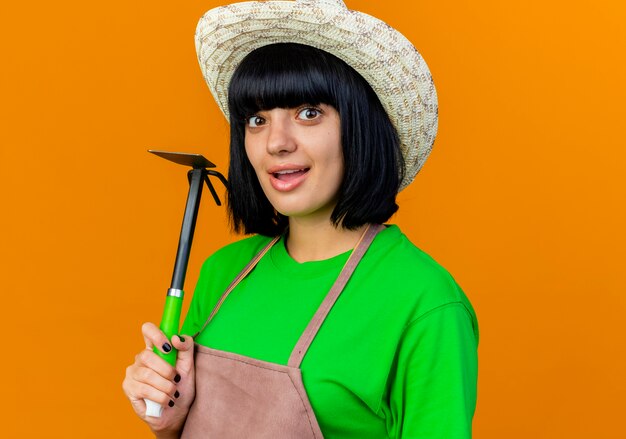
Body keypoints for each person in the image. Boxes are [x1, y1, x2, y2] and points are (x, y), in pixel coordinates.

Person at [123, 1, 478, 438]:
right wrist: (169, 420)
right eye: (256, 119)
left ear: (361, 127)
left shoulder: (425, 303)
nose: (276, 142)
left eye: (309, 113)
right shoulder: (223, 272)